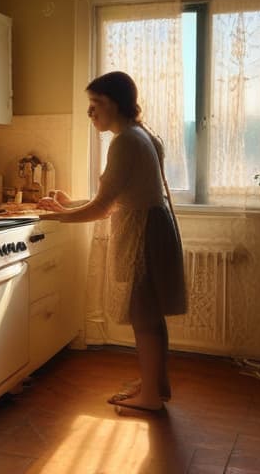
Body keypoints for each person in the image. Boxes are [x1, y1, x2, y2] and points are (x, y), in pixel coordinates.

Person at [37, 71, 187, 414]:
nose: (91, 112)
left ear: (116, 104)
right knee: (150, 315)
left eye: (96, 104)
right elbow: (116, 199)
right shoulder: (142, 135)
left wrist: (54, 216)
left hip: (143, 232)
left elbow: (103, 207)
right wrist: (68, 205)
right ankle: (155, 386)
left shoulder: (125, 142)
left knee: (143, 316)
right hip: (153, 226)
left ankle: (150, 397)